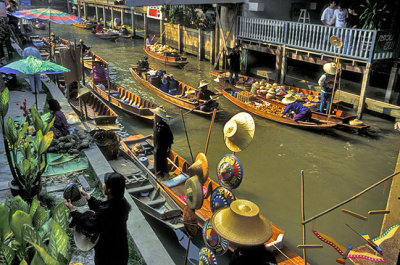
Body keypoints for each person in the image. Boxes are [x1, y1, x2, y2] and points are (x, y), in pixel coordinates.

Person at [65, 172, 131, 265]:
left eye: (105, 183)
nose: (102, 185)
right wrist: (89, 198)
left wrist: (73, 211)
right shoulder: (122, 203)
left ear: (109, 189)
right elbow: (103, 207)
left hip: (108, 253)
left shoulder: (107, 212)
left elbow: (89, 225)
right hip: (121, 249)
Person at [151, 107, 173, 179]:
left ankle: (165, 173)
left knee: (163, 160)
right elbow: (154, 133)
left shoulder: (164, 127)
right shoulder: (155, 123)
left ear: (159, 117)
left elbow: (170, 138)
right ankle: (157, 172)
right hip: (156, 146)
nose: (154, 116)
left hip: (163, 147)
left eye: (155, 115)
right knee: (156, 159)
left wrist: (169, 149)